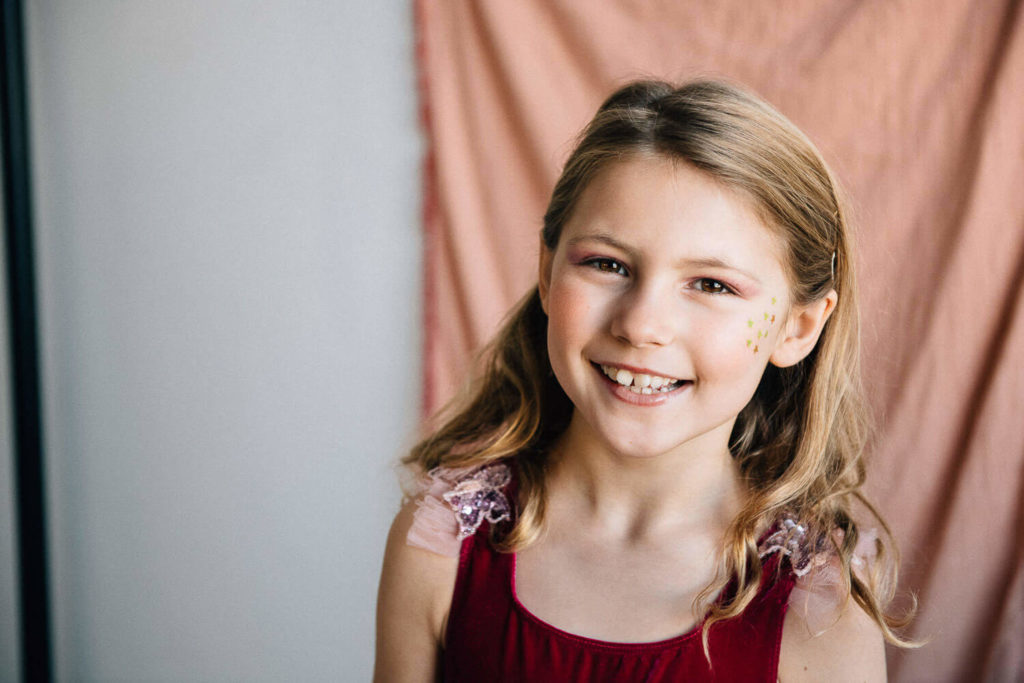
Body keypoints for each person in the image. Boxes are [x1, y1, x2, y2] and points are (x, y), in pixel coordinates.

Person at [375, 79, 913, 682]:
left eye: (712, 285)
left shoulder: (819, 607)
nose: (641, 325)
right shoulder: (443, 544)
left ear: (798, 327)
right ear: (548, 275)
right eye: (607, 264)